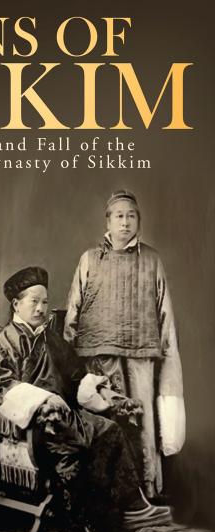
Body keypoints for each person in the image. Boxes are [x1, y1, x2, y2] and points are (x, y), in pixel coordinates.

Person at [0, 266, 171, 532]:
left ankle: (130, 508)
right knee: (70, 449)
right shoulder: (3, 342)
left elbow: (77, 377)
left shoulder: (52, 339)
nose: (41, 308)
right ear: (16, 304)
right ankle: (76, 531)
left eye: (45, 302)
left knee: (111, 430)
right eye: (34, 301)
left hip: (67, 416)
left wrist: (107, 394)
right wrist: (42, 401)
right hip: (34, 424)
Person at [64, 190, 185, 498]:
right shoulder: (90, 259)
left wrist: (167, 354)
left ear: (138, 221)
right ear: (108, 221)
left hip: (141, 354)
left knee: (141, 421)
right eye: (119, 216)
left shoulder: (152, 260)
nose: (125, 222)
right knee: (106, 419)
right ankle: (105, 492)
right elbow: (73, 308)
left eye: (131, 216)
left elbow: (165, 313)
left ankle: (145, 488)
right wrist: (70, 355)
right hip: (98, 355)